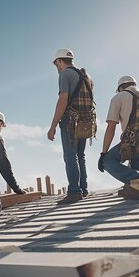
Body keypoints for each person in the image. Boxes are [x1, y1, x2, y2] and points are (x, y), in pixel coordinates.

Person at [47, 48, 96, 204]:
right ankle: (83, 188)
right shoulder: (87, 76)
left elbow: (63, 99)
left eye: (56, 64)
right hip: (86, 121)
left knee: (70, 155)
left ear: (60, 61)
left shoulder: (65, 74)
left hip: (70, 121)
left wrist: (53, 125)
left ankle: (74, 191)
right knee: (80, 156)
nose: (57, 68)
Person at [98, 75, 139, 184]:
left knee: (108, 161)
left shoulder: (119, 97)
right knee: (134, 164)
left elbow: (111, 129)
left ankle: (138, 179)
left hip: (134, 142)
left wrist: (103, 154)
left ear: (120, 88)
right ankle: (138, 182)